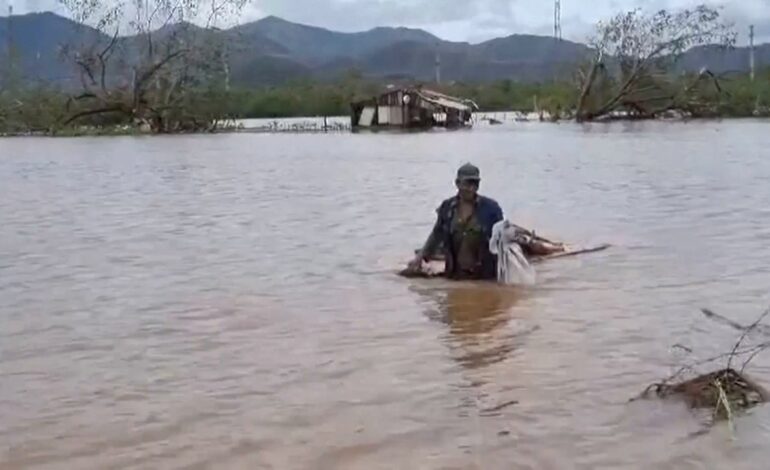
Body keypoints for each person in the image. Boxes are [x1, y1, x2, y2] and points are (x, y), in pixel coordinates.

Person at [408, 163, 504, 280]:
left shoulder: (491, 209)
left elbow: (502, 241)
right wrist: (421, 257)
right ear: (457, 183)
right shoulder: (447, 208)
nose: (471, 188)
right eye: (468, 183)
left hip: (484, 277)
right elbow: (437, 235)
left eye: (475, 184)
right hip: (455, 274)